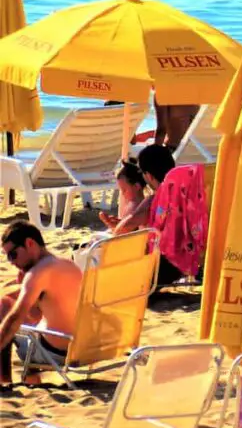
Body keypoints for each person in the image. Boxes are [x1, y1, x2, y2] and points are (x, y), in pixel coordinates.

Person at [1, 222, 83, 384]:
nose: (11, 262)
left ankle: (3, 382)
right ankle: (31, 381)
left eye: (13, 254)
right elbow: (40, 310)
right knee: (11, 306)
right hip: (82, 347)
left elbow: (15, 318)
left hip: (55, 351)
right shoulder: (68, 265)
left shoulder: (37, 273)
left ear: (30, 243)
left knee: (4, 308)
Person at [98, 160, 148, 231]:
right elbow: (130, 226)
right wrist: (119, 222)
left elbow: (127, 232)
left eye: (124, 189)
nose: (123, 193)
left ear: (137, 186)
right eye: (121, 190)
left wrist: (110, 224)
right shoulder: (134, 204)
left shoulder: (137, 207)